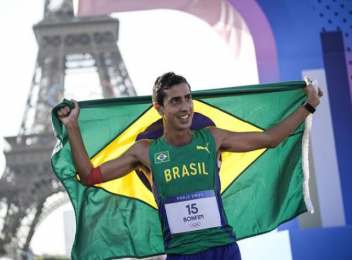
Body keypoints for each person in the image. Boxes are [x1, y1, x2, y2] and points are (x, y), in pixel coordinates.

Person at [57, 72, 323, 260]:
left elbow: (272, 139)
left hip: (223, 249)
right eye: (175, 101)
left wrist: (308, 105)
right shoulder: (145, 152)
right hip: (182, 254)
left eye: (188, 98)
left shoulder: (213, 138)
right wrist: (73, 127)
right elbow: (89, 175)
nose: (185, 107)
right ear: (158, 108)